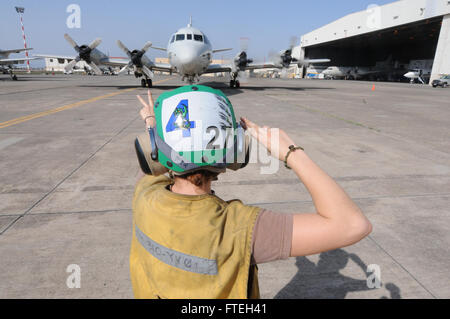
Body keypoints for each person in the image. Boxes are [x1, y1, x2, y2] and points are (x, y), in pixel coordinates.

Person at [130, 86, 372, 299]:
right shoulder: (239, 229)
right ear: (233, 148)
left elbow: (155, 165)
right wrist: (292, 153)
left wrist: (153, 125)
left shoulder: (145, 194)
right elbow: (352, 224)